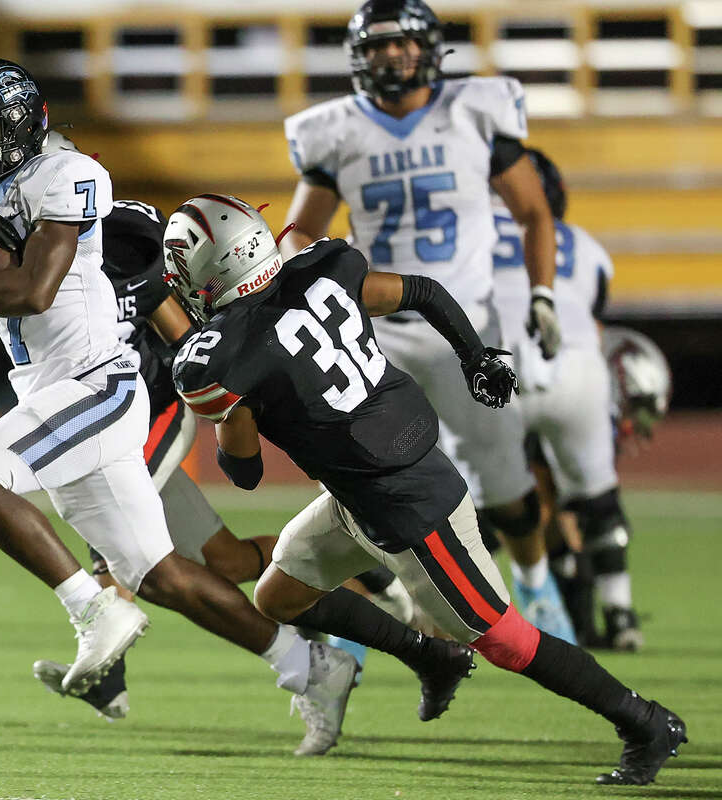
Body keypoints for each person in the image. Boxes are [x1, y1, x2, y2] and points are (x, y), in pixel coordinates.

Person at [0, 61, 471, 756]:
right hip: (50, 393)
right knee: (164, 576)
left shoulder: (65, 178)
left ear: (24, 125)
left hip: (101, 384)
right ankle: (309, 666)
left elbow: (35, 291)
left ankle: (90, 612)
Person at [165, 192, 686, 785]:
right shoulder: (322, 269)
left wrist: (232, 412)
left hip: (407, 505)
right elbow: (424, 292)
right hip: (362, 487)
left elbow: (246, 474)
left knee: (505, 639)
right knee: (277, 596)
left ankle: (645, 722)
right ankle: (430, 656)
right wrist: (476, 357)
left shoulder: (225, 356)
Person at [31, 200, 417, 724]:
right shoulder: (25, 254)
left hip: (146, 410)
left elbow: (181, 337)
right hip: (95, 423)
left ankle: (111, 681)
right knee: (228, 562)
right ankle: (356, 570)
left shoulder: (118, 236)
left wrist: (217, 393)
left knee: (124, 553)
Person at [280, 0, 576, 643]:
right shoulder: (335, 132)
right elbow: (300, 228)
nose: (389, 56)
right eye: (377, 46)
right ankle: (383, 604)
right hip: (378, 328)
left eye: (400, 44)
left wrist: (543, 294)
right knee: (364, 473)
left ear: (429, 48)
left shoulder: (475, 111)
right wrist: (303, 270)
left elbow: (535, 212)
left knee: (503, 477)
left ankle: (536, 585)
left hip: (467, 322)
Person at [491, 156, 656, 649]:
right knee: (599, 503)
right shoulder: (585, 245)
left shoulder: (473, 232)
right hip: (576, 365)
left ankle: (457, 616)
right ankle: (621, 616)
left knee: (479, 506)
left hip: (495, 367)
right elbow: (592, 316)